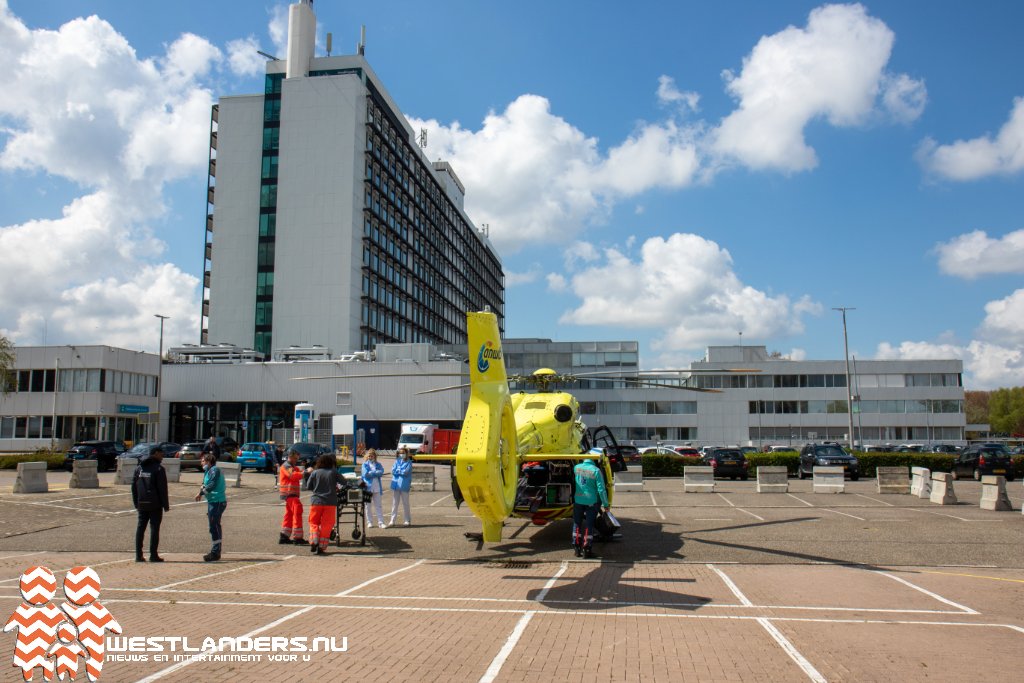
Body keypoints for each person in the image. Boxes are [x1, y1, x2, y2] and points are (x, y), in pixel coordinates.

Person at [132, 446, 170, 562]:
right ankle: (153, 555)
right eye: (161, 454)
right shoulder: (158, 469)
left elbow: (134, 487)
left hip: (142, 503)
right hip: (155, 504)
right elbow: (162, 488)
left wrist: (136, 503)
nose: (163, 457)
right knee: (154, 529)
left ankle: (138, 555)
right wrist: (165, 505)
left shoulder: (139, 468)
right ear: (156, 453)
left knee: (140, 528)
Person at [572, 457, 609, 559]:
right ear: (594, 461)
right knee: (589, 525)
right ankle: (587, 548)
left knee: (577, 523)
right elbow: (601, 490)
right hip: (591, 501)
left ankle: (576, 548)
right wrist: (606, 504)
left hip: (578, 500)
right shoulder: (596, 471)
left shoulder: (576, 468)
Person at [305, 454, 342, 555]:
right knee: (327, 525)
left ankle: (314, 540)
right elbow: (344, 482)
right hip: (330, 502)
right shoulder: (333, 472)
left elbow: (308, 486)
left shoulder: (315, 472)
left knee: (313, 522)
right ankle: (321, 547)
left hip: (316, 501)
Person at [194, 452, 227, 562]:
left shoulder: (214, 470)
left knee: (214, 526)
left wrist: (201, 493)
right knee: (213, 526)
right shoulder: (208, 471)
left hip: (217, 501)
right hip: (212, 501)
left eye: (203, 461)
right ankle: (215, 551)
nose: (201, 463)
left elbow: (211, 485)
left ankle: (216, 552)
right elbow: (205, 484)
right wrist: (201, 492)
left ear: (208, 461)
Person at [278, 448, 307, 544]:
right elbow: (293, 475)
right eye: (295, 458)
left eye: (297, 458)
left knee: (289, 515)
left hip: (290, 494)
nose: (296, 460)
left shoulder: (292, 467)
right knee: (297, 512)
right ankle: (297, 537)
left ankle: (284, 535)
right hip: (290, 494)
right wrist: (305, 472)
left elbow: (297, 472)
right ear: (290, 457)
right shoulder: (287, 466)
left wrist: (304, 470)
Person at [361, 449, 385, 528]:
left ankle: (381, 522)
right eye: (369, 456)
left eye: (372, 456)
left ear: (375, 456)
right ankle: (369, 522)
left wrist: (372, 472)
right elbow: (365, 475)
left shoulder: (378, 464)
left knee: (378, 506)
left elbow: (381, 472)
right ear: (367, 456)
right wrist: (375, 473)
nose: (370, 457)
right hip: (368, 487)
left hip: (377, 487)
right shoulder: (364, 465)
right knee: (368, 506)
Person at [389, 448, 413, 527]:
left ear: (406, 453)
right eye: (400, 453)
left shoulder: (409, 462)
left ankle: (407, 520)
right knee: (395, 503)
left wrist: (398, 471)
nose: (401, 454)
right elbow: (393, 470)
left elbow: (406, 472)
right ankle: (392, 520)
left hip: (404, 485)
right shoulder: (397, 461)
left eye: (403, 453)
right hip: (396, 484)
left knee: (405, 503)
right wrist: (399, 471)